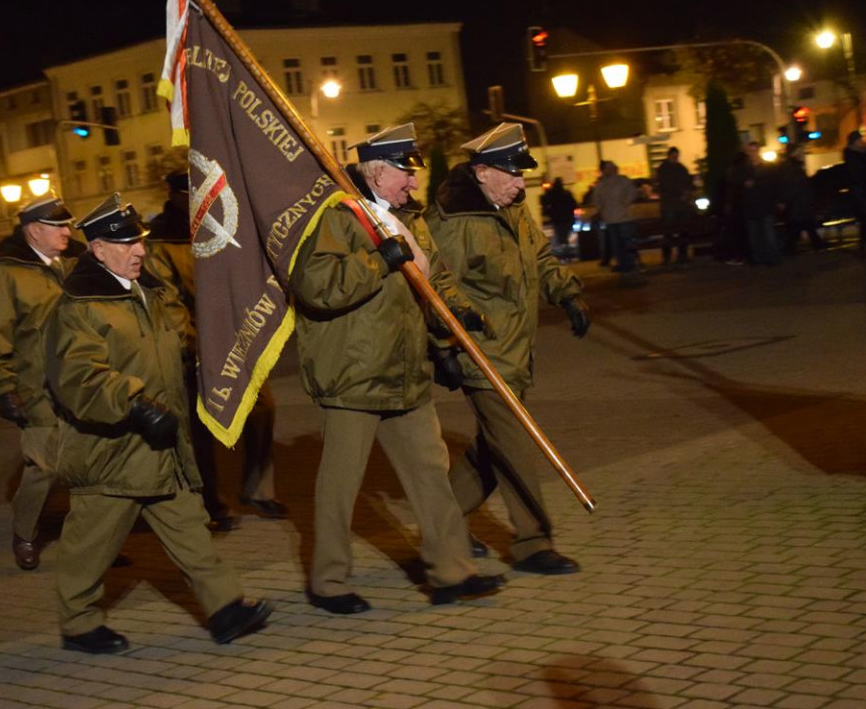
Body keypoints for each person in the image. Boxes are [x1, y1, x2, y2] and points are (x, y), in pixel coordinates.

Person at [291, 123, 504, 614]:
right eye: (405, 173)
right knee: (341, 487)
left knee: (431, 473)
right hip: (353, 375)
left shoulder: (408, 218)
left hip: (405, 371)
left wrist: (455, 324)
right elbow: (316, 286)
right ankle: (328, 583)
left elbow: (433, 279)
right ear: (378, 171)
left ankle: (452, 571)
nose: (413, 183)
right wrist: (376, 261)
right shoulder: (338, 217)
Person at [45, 193, 270, 654]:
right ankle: (79, 624)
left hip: (161, 443)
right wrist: (135, 405)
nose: (139, 251)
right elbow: (78, 376)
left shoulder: (146, 293)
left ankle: (225, 607)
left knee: (190, 531)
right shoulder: (79, 306)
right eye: (125, 243)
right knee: (90, 547)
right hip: (111, 451)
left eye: (140, 241)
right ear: (97, 249)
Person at [425, 122, 586, 575]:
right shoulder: (451, 222)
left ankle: (441, 523)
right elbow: (435, 288)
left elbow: (539, 256)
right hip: (481, 355)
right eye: (512, 174)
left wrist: (566, 292)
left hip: (516, 351)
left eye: (522, 175)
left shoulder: (512, 207)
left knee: (490, 451)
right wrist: (443, 347)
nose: (521, 183)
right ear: (480, 171)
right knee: (515, 445)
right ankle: (533, 542)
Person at [145, 169, 286, 532]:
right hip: (197, 348)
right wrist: (194, 345)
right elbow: (169, 302)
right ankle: (212, 500)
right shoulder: (162, 242)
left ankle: (257, 488)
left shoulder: (225, 227)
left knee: (262, 410)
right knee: (199, 429)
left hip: (237, 340)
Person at [0, 194, 85, 570]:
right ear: (34, 231)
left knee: (92, 462)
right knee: (45, 466)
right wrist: (4, 388)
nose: (67, 231)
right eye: (58, 227)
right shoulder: (6, 273)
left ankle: (94, 538)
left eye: (67, 225)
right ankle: (25, 532)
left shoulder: (71, 265)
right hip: (35, 387)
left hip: (82, 382)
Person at [733, 142, 780, 266]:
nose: (753, 154)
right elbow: (735, 181)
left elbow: (773, 185)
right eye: (750, 151)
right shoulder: (743, 168)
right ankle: (759, 258)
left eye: (755, 151)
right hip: (751, 205)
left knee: (768, 233)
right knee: (755, 235)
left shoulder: (766, 167)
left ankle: (772, 258)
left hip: (764, 204)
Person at [591, 161, 638, 272]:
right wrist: (625, 203)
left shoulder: (604, 184)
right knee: (621, 243)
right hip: (617, 217)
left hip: (616, 217)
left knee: (620, 242)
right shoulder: (619, 181)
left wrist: (602, 208)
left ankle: (625, 263)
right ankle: (625, 263)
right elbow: (632, 193)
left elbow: (597, 200)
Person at [778, 144, 824, 254]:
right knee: (803, 225)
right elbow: (793, 185)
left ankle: (792, 248)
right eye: (799, 151)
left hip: (799, 202)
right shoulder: (791, 167)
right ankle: (814, 245)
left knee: (800, 225)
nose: (801, 153)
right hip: (798, 202)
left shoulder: (791, 166)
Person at [655, 147, 695, 265]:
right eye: (674, 155)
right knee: (672, 230)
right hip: (675, 205)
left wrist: (685, 193)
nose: (675, 157)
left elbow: (665, 186)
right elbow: (667, 185)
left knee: (674, 230)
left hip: (673, 205)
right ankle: (676, 254)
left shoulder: (667, 168)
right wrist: (684, 193)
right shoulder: (675, 168)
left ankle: (674, 255)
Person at [842, 129, 866, 256]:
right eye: (860, 139)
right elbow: (858, 176)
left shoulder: (859, 154)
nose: (862, 141)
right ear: (855, 142)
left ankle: (862, 246)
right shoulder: (853, 157)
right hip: (860, 195)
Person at [540, 177, 577, 257]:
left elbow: (546, 205)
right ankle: (566, 250)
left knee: (560, 235)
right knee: (565, 234)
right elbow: (574, 204)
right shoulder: (566, 193)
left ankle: (563, 251)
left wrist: (549, 213)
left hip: (557, 219)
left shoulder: (551, 194)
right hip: (566, 218)